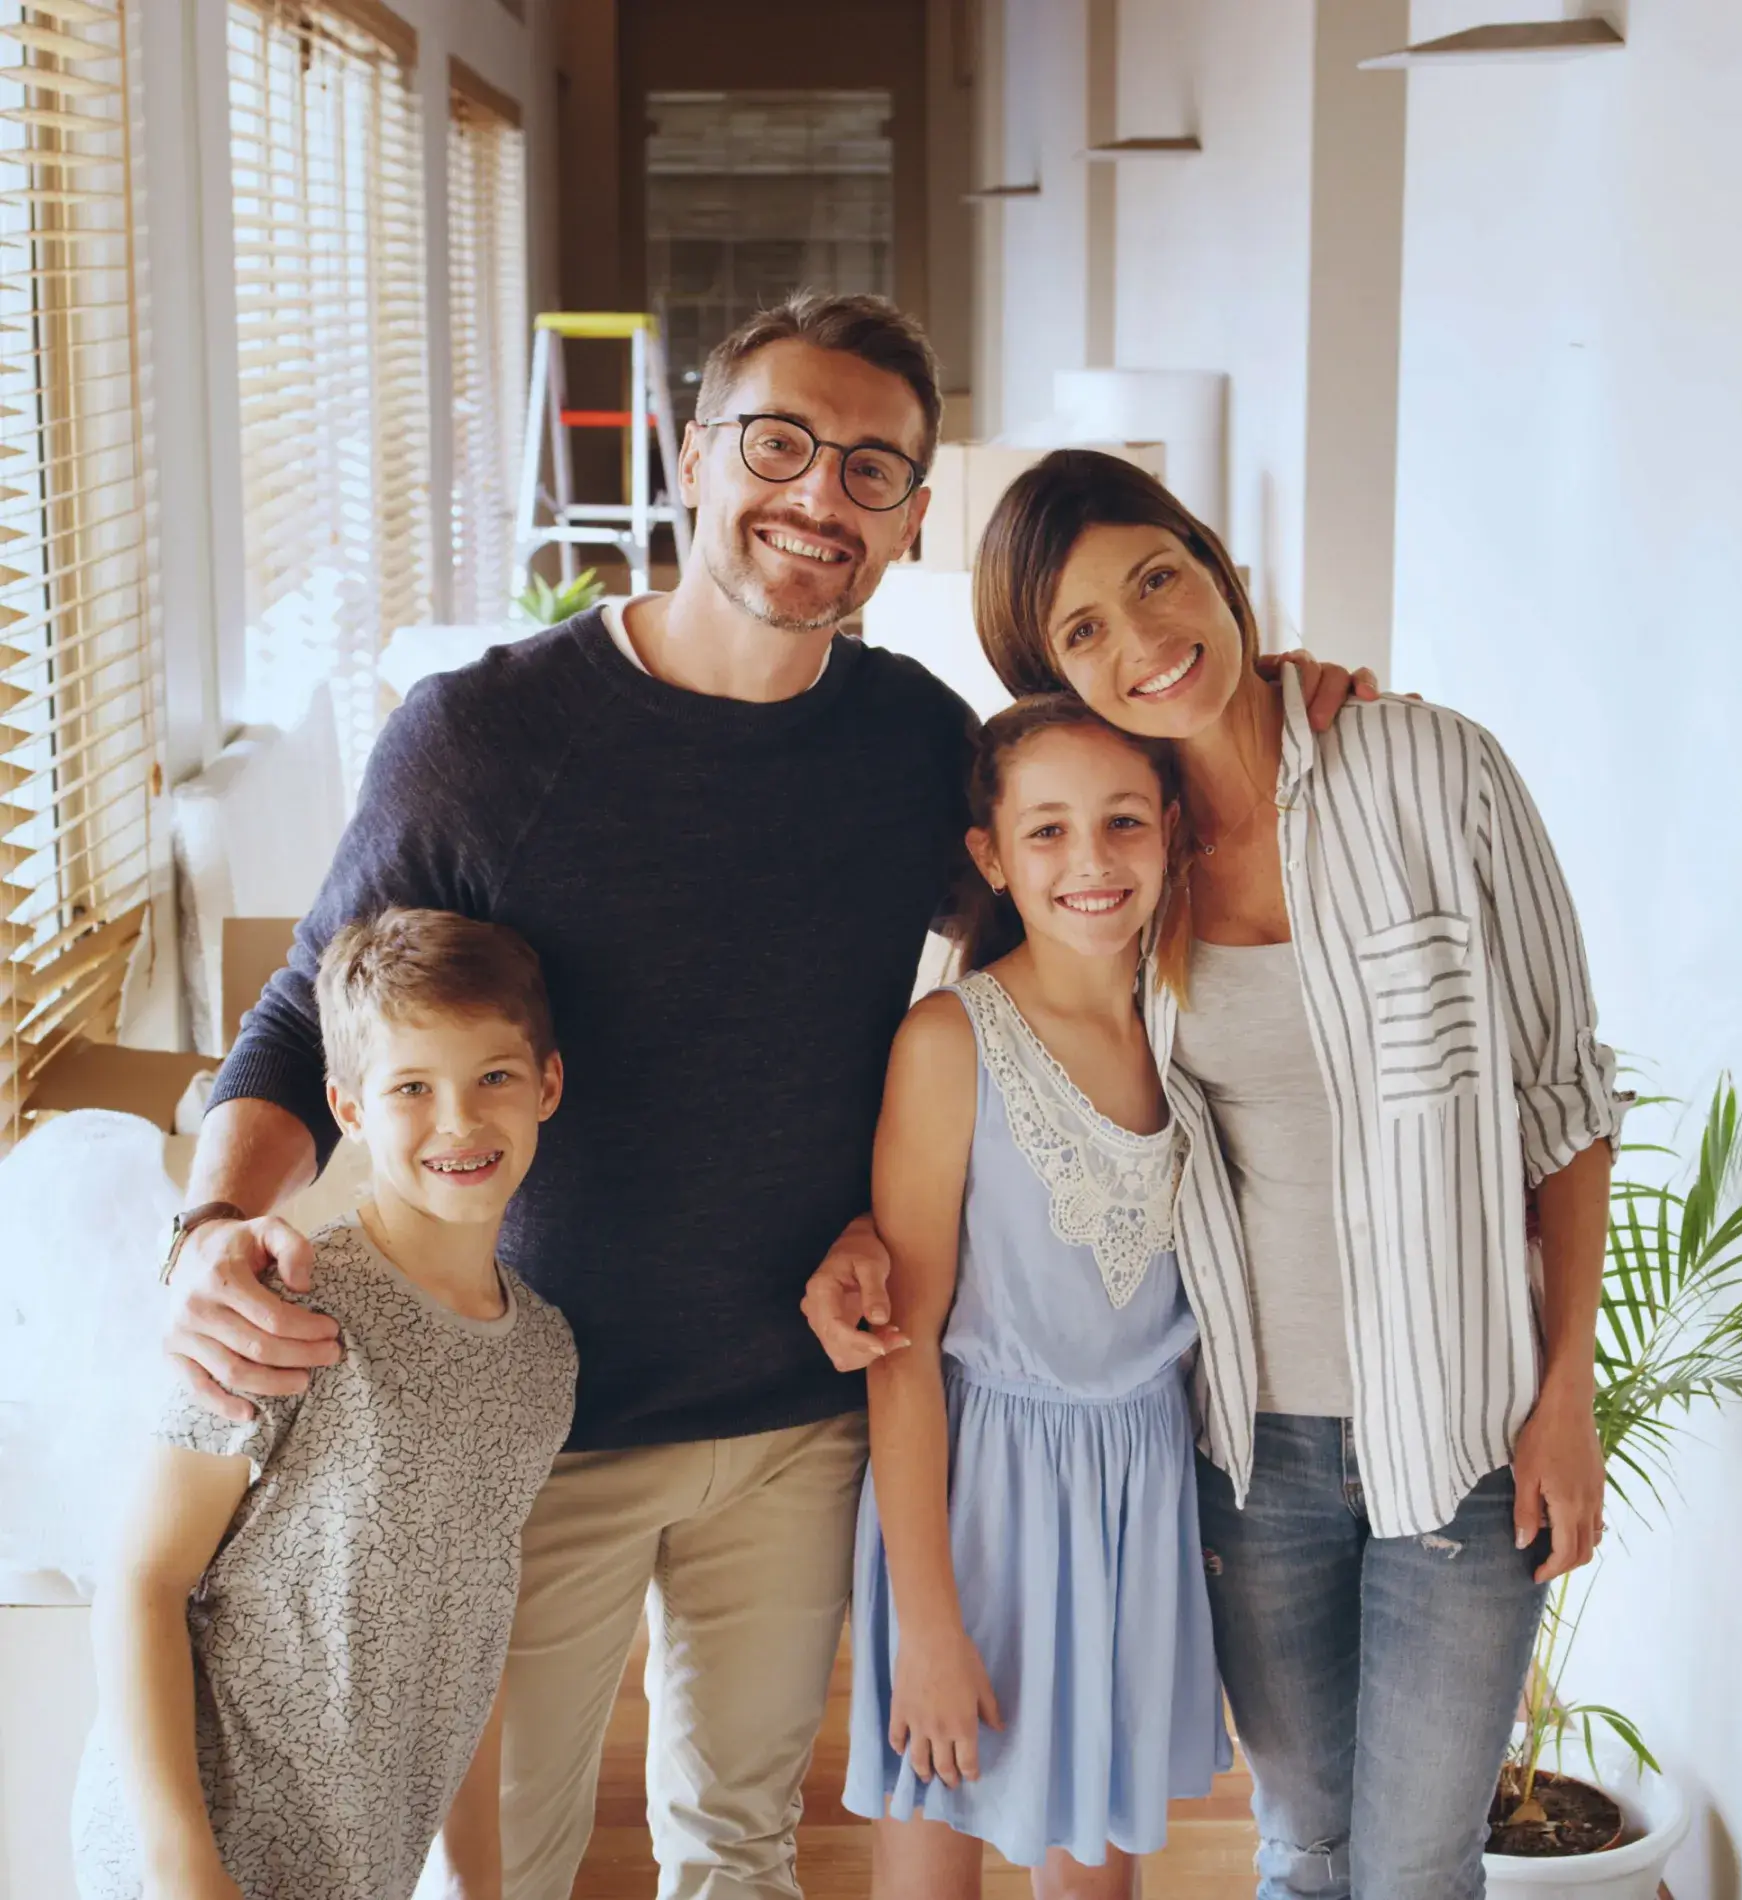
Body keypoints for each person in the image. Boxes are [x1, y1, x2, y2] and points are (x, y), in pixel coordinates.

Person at [161, 292, 1371, 1900]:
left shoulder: (911, 746)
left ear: (912, 520)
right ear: (691, 454)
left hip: (803, 1416)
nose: (820, 495)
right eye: (782, 444)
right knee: (505, 1865)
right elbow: (308, 1002)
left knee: (742, 1852)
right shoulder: (484, 735)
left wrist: (1257, 721)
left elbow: (1080, 927)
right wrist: (210, 1230)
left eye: (872, 469)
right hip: (545, 1410)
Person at [968, 449, 1621, 1900]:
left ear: (1216, 565)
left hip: (1458, 1436)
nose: (1146, 639)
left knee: (1411, 1867)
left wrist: (1564, 1394)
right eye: (1085, 631)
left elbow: (1563, 1106)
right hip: (1245, 1452)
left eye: (1158, 577)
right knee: (1301, 1850)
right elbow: (995, 1056)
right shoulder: (1118, 865)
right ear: (1056, 678)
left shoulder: (1431, 768)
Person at [73, 909, 576, 1900]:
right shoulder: (274, 1298)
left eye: (495, 1077)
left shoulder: (545, 1360)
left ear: (547, 1084)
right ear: (347, 1107)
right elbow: (140, 1581)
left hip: (361, 1867)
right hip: (194, 1857)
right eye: (412, 1088)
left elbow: (471, 1633)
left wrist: (477, 1883)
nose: (460, 1121)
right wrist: (184, 1872)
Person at [843, 696, 1232, 1900]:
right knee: (936, 1835)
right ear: (992, 856)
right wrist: (928, 1622)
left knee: (1092, 1877)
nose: (1091, 861)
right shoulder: (951, 1041)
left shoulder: (1197, 1021)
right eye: (1049, 831)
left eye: (1122, 822)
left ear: (1170, 829)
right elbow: (903, 1349)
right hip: (974, 1498)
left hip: (1140, 1491)